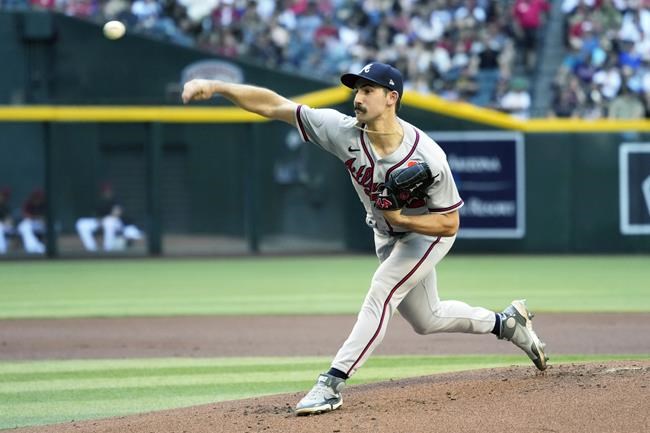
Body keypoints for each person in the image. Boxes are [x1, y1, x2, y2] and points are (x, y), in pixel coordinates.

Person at [182, 62, 549, 416]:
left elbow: (450, 223)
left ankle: (331, 382)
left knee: (382, 289)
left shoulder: (428, 155)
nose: (357, 97)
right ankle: (507, 323)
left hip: (426, 235)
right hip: (386, 234)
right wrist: (217, 87)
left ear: (391, 97)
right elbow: (276, 105)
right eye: (356, 90)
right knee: (427, 318)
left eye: (367, 90)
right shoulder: (341, 130)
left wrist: (403, 218)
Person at [76, 183, 143, 252]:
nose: (107, 193)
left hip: (117, 224)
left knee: (109, 221)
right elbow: (95, 215)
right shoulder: (99, 201)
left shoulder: (116, 200)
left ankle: (107, 249)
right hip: (101, 222)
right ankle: (91, 249)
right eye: (105, 191)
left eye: (108, 191)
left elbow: (116, 214)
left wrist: (104, 220)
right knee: (81, 223)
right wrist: (100, 220)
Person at [17, 188, 47, 254]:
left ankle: (41, 247)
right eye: (36, 197)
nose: (38, 199)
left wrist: (42, 219)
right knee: (24, 226)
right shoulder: (28, 203)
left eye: (39, 197)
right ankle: (32, 247)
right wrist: (35, 217)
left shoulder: (44, 204)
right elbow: (25, 215)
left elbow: (46, 217)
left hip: (40, 223)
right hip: (30, 222)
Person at [0, 188, 14, 254]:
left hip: (4, 226)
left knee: (8, 228)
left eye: (5, 196)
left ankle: (5, 250)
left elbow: (8, 218)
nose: (3, 197)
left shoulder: (6, 206)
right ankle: (2, 250)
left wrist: (8, 222)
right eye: (2, 195)